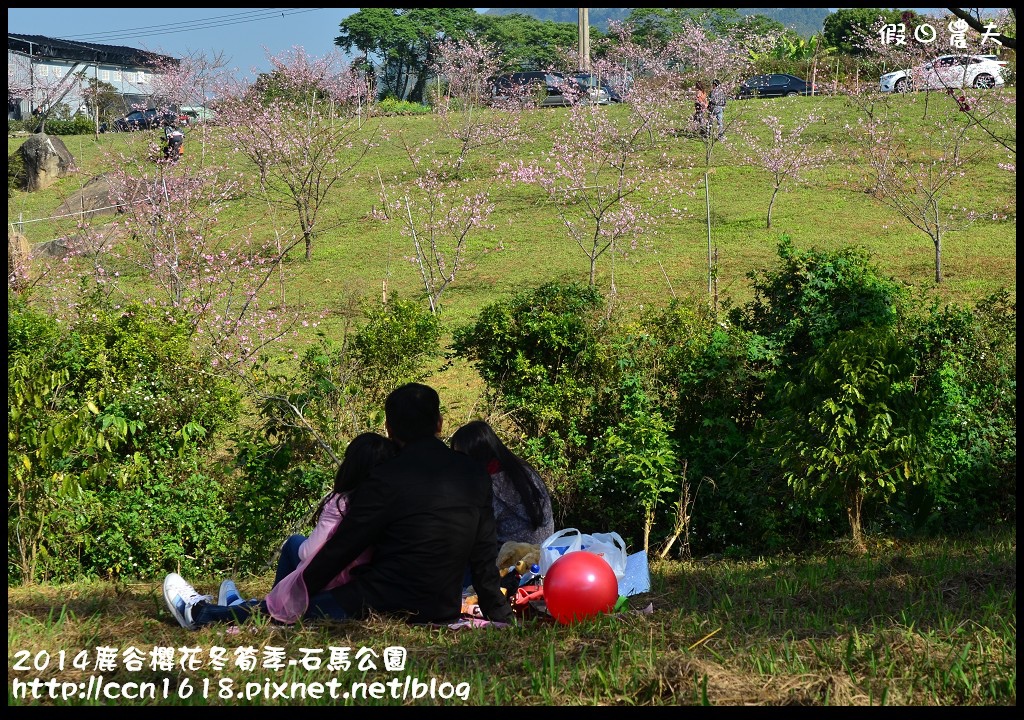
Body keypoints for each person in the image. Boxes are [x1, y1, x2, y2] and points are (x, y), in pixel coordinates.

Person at [299, 383, 513, 624]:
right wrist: (500, 613)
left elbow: (343, 547)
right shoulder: (474, 473)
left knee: (274, 609)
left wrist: (296, 594)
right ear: (439, 423)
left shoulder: (384, 477)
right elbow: (483, 555)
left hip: (380, 604)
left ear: (389, 429)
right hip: (442, 609)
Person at [162, 432, 397, 629]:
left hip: (328, 585)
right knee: (295, 545)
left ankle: (203, 614)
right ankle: (255, 607)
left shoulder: (341, 503)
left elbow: (308, 553)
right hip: (357, 585)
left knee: (294, 544)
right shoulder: (386, 504)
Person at [449, 420, 554, 547]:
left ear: (475, 456)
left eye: (460, 457)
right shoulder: (523, 469)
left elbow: (469, 532)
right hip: (545, 548)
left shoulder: (489, 485)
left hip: (513, 556)